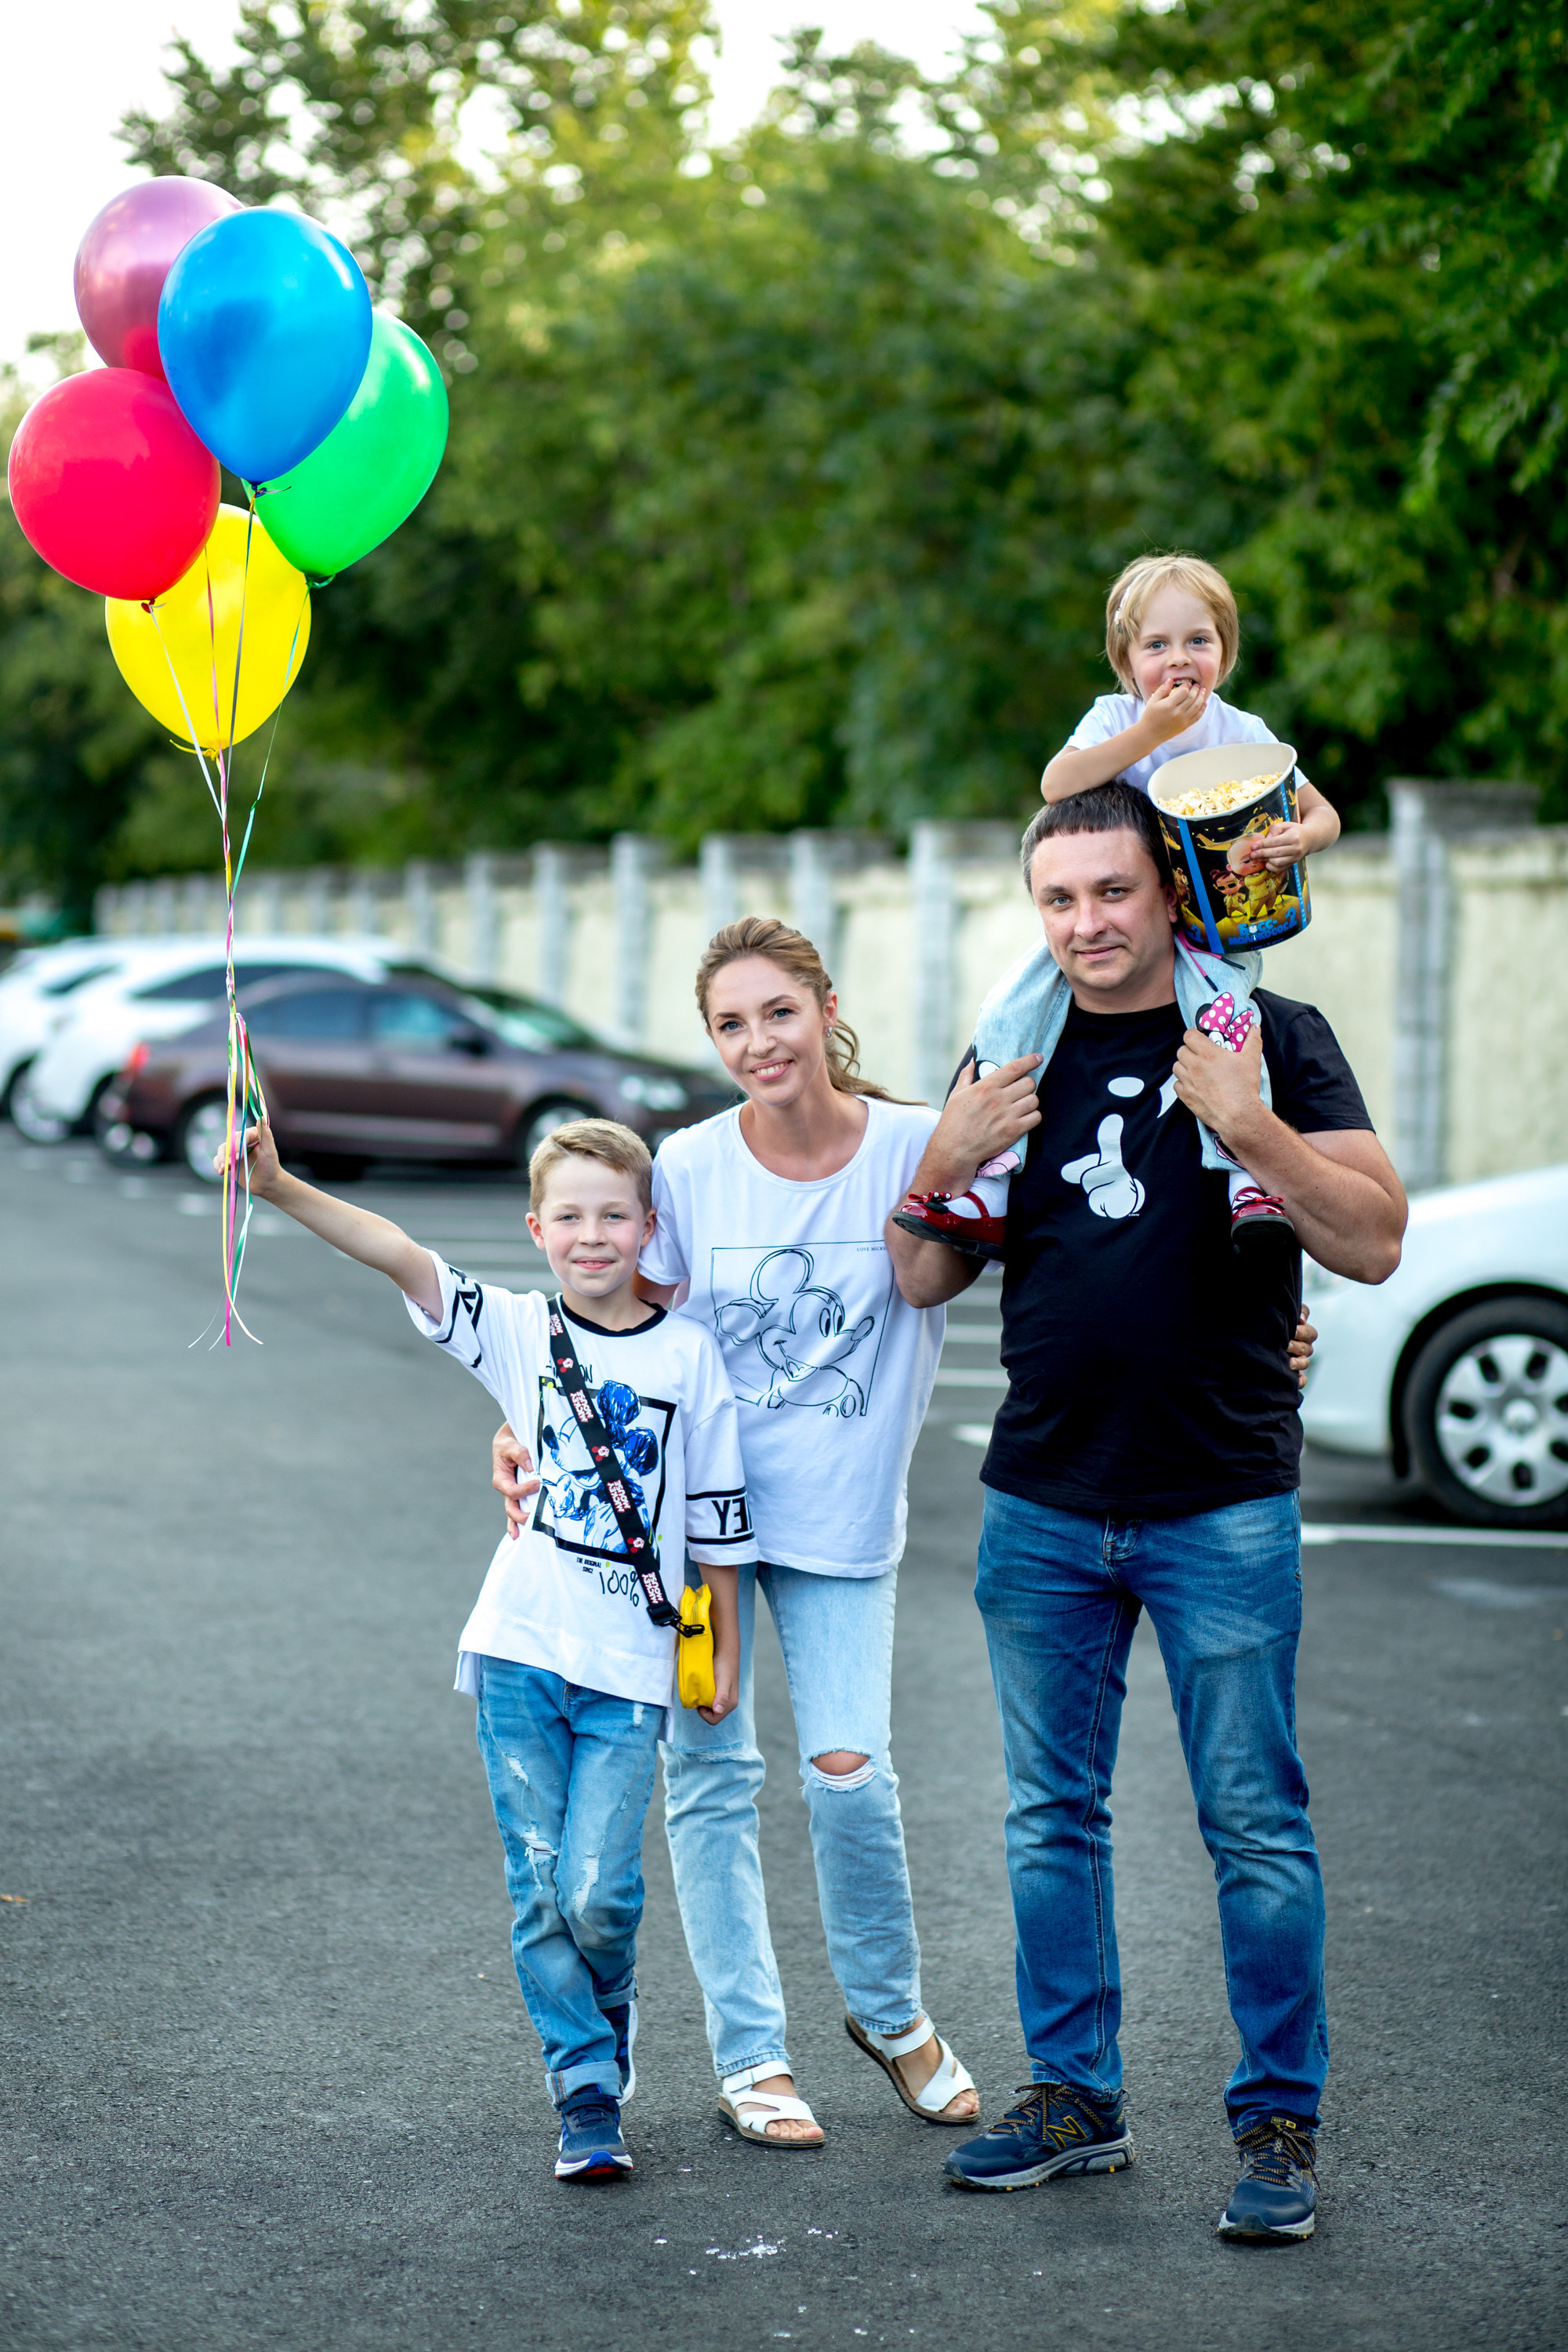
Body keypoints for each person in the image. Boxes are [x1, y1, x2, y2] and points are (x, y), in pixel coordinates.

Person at [886, 782, 1405, 2244]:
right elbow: (924, 1279)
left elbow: (1370, 1239)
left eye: (1111, 893)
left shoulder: (1268, 1038)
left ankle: (1280, 2122)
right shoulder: (1015, 1056)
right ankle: (1075, 2102)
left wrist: (1252, 1129)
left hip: (1221, 1498)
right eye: (1058, 901)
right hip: (1043, 1501)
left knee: (1254, 1823)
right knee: (1051, 1818)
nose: (1086, 925)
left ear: (1168, 892)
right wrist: (939, 1155)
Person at [494, 919, 981, 2149]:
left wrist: (1267, 1337)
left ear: (826, 1006)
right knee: (710, 1782)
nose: (758, 1041)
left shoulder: (923, 1146)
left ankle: (890, 2012)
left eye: (778, 1011)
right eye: (729, 1023)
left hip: (839, 1527)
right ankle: (751, 2056)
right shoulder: (691, 1168)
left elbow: (1068, 1254)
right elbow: (605, 1317)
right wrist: (522, 1430)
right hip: (693, 1540)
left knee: (851, 1780)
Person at [221, 1112, 751, 2187]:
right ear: (537, 1228)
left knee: (600, 1892)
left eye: (614, 1215)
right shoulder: (515, 1330)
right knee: (539, 1882)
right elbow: (400, 1252)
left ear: (651, 1226)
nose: (592, 1235)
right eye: (570, 1217)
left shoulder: (690, 1356)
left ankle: (608, 2022)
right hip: (516, 1649)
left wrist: (726, 1652)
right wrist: (278, 1188)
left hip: (632, 1668)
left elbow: (717, 1520)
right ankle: (585, 2089)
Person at [895, 552, 1343, 1261]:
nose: (1179, 661)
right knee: (1009, 1010)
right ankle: (992, 1178)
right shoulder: (1117, 718)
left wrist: (1300, 837)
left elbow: (1323, 814)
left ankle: (1243, 1181)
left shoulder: (1243, 732)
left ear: (1224, 652)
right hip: (1120, 919)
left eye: (1198, 641)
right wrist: (1149, 735)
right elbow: (1057, 782)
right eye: (1156, 646)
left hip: (1214, 931)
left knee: (1228, 1029)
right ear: (1127, 661)